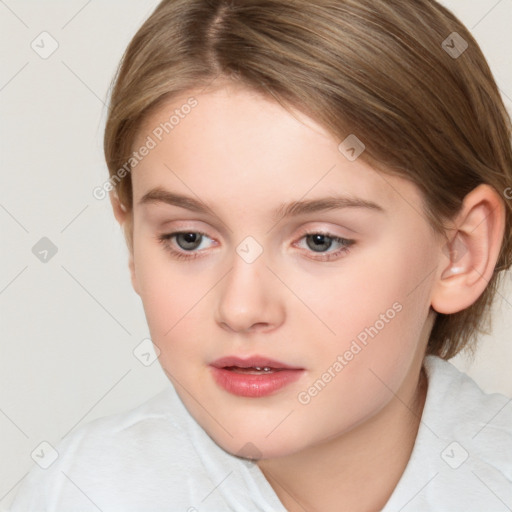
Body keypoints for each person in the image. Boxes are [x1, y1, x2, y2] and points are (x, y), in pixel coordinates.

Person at [8, 0, 512, 510]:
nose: (241, 308)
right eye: (189, 239)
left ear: (459, 251)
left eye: (320, 241)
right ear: (132, 237)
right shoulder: (77, 493)